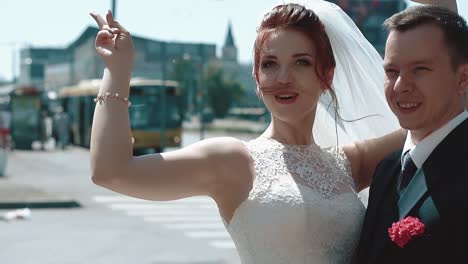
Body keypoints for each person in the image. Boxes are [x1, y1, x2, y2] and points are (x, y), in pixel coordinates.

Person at [90, 1, 404, 263]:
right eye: (269, 64)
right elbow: (111, 171)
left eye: (301, 63)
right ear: (256, 76)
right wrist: (118, 72)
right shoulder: (232, 161)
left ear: (326, 75)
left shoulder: (349, 164)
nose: (283, 77)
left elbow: (439, 118)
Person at [356, 4, 468, 264]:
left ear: (463, 78)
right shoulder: (387, 168)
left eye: (420, 70)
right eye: (391, 71)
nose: (400, 86)